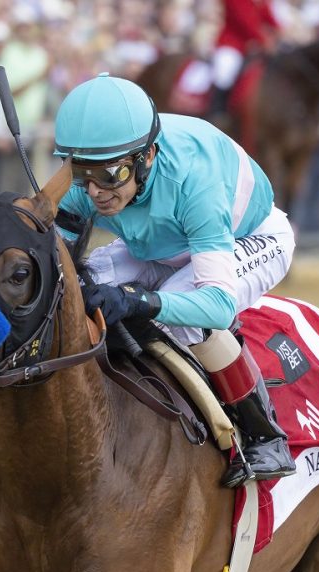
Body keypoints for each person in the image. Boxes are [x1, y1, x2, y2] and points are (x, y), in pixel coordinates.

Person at [54, 73, 296, 488]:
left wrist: (138, 301)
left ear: (146, 158)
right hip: (161, 245)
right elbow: (55, 255)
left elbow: (217, 304)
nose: (94, 191)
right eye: (81, 173)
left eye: (110, 175)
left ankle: (262, 432)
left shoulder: (194, 180)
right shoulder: (97, 169)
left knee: (175, 310)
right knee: (90, 282)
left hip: (247, 237)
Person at [209, 0, 280, 118]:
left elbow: (268, 17)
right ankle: (217, 112)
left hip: (253, 47)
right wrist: (264, 40)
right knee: (225, 72)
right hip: (231, 44)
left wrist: (280, 31)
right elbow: (244, 20)